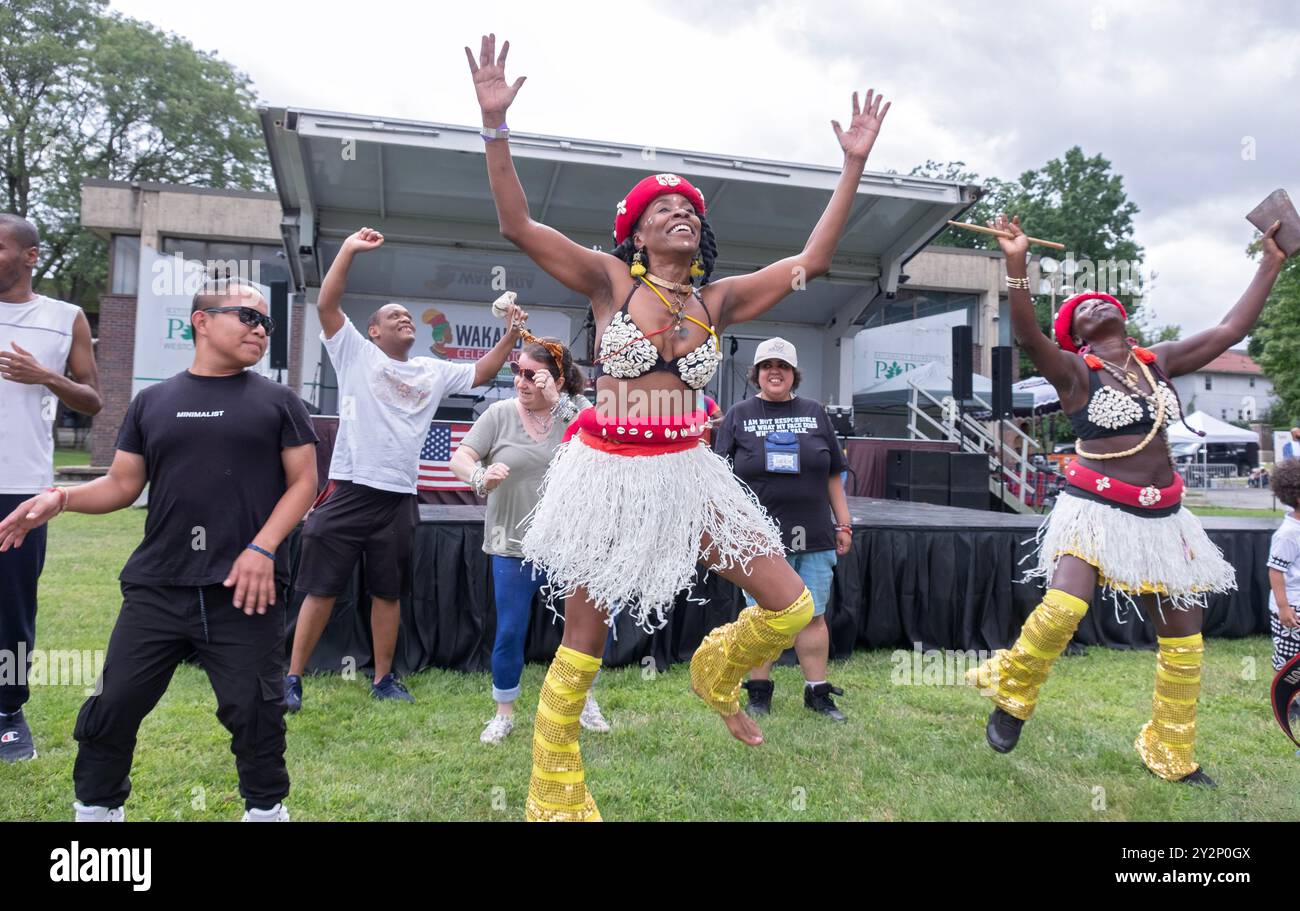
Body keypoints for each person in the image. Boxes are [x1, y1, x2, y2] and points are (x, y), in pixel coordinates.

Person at [465, 33, 890, 820]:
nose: (680, 215)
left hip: (691, 475)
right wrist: (496, 125)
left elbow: (814, 261)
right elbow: (518, 224)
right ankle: (554, 791)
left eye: (690, 210)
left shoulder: (717, 301)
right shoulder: (603, 280)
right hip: (604, 475)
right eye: (664, 209)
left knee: (792, 606)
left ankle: (717, 670)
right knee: (582, 648)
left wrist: (853, 167)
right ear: (636, 233)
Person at [968, 214, 1294, 788]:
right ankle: (1014, 690)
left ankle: (1168, 747)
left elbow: (1228, 333)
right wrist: (1016, 266)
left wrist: (1271, 262)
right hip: (1094, 508)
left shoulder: (1158, 362)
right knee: (1065, 608)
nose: (1092, 304)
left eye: (1100, 300)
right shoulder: (1072, 373)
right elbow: (1026, 335)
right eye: (1079, 311)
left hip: (1166, 516)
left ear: (1122, 317)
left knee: (1185, 641)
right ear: (1077, 336)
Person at [0, 277, 318, 821]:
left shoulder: (278, 402)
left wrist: (262, 550)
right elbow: (124, 484)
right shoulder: (154, 401)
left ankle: (265, 811)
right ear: (201, 320)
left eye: (265, 322)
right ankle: (97, 812)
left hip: (245, 589)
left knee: (255, 712)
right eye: (247, 316)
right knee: (113, 705)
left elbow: (305, 483)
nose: (260, 329)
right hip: (157, 585)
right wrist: (63, 497)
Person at [285, 228, 524, 710]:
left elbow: (481, 372)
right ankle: (291, 679)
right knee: (321, 588)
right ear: (373, 330)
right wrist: (349, 250)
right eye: (394, 316)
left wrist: (513, 335)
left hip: (397, 497)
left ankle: (384, 679)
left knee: (388, 593)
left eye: (409, 317)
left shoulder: (431, 371)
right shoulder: (355, 353)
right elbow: (328, 306)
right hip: (349, 489)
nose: (405, 320)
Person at [449, 335, 611, 743]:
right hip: (512, 545)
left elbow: (600, 441)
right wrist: (478, 477)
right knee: (509, 631)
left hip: (571, 544)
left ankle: (584, 698)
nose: (520, 382)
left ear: (556, 378)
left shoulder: (577, 412)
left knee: (582, 631)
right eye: (515, 372)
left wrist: (558, 400)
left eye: (531, 375)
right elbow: (461, 456)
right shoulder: (500, 414)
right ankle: (504, 712)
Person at [0, 213, 102, 762]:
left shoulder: (65, 318)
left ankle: (8, 712)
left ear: (30, 257)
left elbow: (93, 400)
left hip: (19, 487)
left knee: (11, 608)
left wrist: (46, 378)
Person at [713, 338, 853, 720]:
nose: (775, 372)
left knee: (814, 615)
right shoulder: (738, 414)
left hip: (814, 533)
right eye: (767, 365)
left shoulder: (816, 412)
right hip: (758, 539)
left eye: (783, 366)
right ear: (756, 373)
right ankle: (759, 692)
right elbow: (719, 478)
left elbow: (831, 475)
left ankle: (817, 692)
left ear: (794, 374)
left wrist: (844, 523)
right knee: (763, 616)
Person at [1267, 458, 1300, 723]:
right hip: (1292, 606)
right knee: (1288, 657)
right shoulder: (1289, 533)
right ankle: (1288, 700)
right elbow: (1275, 571)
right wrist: (1283, 607)